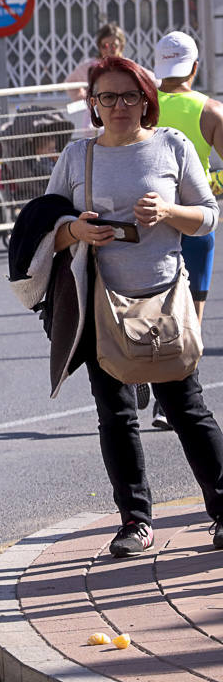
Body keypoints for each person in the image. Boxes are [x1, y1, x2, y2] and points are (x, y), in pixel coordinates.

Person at [38, 55, 223, 557]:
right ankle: (136, 522)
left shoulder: (172, 145)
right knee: (116, 415)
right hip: (101, 308)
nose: (118, 106)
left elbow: (208, 216)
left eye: (129, 96)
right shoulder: (78, 157)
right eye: (106, 97)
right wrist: (75, 230)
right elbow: (43, 226)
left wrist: (169, 211)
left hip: (163, 300)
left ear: (147, 99)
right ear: (93, 105)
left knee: (187, 408)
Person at [149, 31, 223, 429]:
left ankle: (140, 371)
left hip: (148, 223)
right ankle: (171, 402)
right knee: (191, 316)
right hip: (195, 223)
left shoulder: (140, 106)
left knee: (147, 305)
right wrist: (210, 186)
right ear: (195, 67)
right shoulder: (211, 111)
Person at [65, 23, 155, 129]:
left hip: (123, 116)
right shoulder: (90, 65)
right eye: (105, 46)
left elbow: (153, 81)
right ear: (99, 47)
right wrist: (85, 97)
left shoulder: (127, 65)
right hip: (96, 121)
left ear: (121, 46)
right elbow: (69, 83)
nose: (109, 49)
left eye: (114, 45)